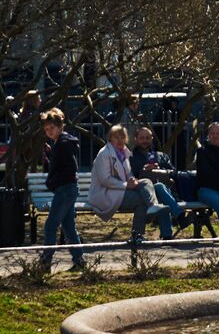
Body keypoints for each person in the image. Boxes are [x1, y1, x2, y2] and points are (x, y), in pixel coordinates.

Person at [90, 124, 173, 243]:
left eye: (122, 137)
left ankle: (152, 207)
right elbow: (105, 179)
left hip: (120, 191)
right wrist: (125, 185)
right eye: (116, 137)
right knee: (141, 199)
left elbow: (128, 174)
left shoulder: (124, 153)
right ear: (110, 139)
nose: (120, 140)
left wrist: (132, 179)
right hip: (105, 194)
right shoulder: (104, 154)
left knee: (146, 181)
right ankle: (137, 234)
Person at [38, 109, 83, 271]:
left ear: (59, 126)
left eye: (51, 128)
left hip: (65, 189)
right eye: (46, 129)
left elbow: (69, 167)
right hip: (68, 188)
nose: (48, 132)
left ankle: (46, 262)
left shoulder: (63, 144)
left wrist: (53, 181)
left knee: (51, 225)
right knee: (68, 226)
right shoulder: (60, 144)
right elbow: (62, 165)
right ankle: (79, 260)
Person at [132, 126, 187, 236]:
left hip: (167, 191)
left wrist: (159, 169)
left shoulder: (161, 156)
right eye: (142, 138)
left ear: (152, 139)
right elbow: (131, 177)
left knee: (160, 188)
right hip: (144, 193)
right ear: (136, 139)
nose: (145, 140)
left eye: (147, 138)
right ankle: (178, 218)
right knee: (159, 188)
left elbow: (174, 172)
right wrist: (143, 170)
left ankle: (168, 234)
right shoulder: (131, 157)